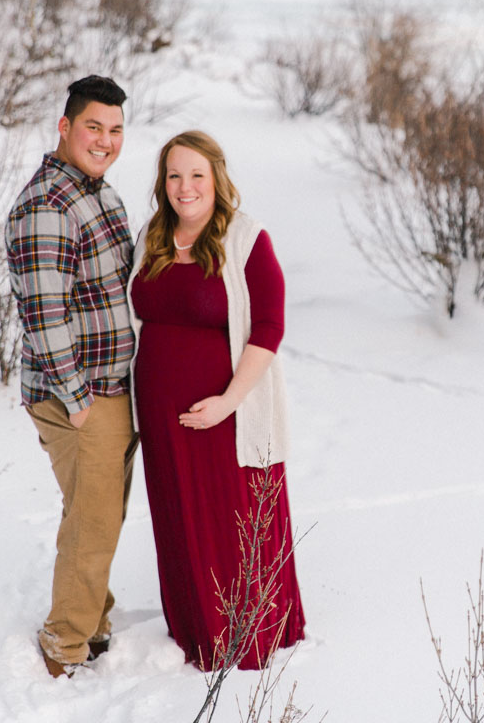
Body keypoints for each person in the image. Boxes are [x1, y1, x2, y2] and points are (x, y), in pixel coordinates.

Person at [128, 130, 305, 670]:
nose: (185, 186)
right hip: (161, 412)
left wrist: (228, 402)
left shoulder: (246, 238)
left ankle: (249, 635)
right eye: (174, 175)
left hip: (230, 414)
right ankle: (195, 629)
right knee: (179, 517)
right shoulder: (152, 236)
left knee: (233, 519)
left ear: (217, 179)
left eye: (196, 175)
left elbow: (269, 328)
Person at [5, 75, 139, 678]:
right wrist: (80, 400)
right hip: (78, 397)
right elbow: (44, 315)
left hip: (114, 390)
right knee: (93, 522)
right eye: (93, 127)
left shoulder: (102, 196)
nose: (105, 140)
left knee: (98, 515)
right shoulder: (47, 207)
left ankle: (95, 617)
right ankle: (65, 647)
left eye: (114, 130)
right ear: (65, 128)